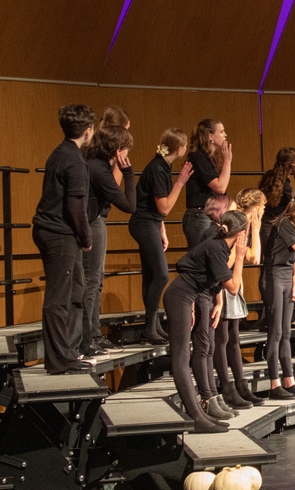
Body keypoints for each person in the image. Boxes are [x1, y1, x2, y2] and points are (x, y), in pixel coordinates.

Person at [163, 210, 248, 433]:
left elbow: (208, 279)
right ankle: (195, 417)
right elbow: (233, 287)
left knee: (186, 354)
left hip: (185, 297)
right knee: (181, 357)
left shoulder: (217, 245)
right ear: (241, 234)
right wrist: (239, 256)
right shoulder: (218, 248)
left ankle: (200, 414)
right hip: (179, 296)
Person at [32, 105, 96, 375]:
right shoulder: (75, 161)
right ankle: (60, 361)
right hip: (59, 233)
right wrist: (85, 236)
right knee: (58, 299)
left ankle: (67, 353)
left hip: (49, 229)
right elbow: (74, 207)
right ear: (88, 131)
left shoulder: (61, 152)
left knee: (73, 291)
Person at [129, 129, 192, 344]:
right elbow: (164, 207)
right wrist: (180, 183)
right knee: (162, 275)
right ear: (180, 149)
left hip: (151, 223)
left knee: (151, 274)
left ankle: (152, 326)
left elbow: (157, 209)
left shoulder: (163, 166)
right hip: (143, 223)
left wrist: (161, 229)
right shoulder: (157, 168)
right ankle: (149, 326)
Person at [81, 124, 135, 357]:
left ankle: (93, 334)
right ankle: (88, 338)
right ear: (117, 151)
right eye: (125, 150)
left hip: (92, 222)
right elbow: (129, 205)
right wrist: (129, 174)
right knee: (91, 283)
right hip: (91, 224)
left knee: (95, 281)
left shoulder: (95, 162)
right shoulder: (100, 170)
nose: (127, 155)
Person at [262, 186, 295, 400]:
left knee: (286, 333)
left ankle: (289, 380)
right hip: (274, 276)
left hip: (286, 275)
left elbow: (293, 257)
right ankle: (274, 384)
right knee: (275, 333)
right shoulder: (285, 223)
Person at [214, 188, 266, 407]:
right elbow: (226, 262)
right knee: (223, 339)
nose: (264, 210)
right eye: (262, 206)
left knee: (234, 338)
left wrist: (256, 228)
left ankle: (241, 387)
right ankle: (227, 389)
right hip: (222, 285)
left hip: (234, 284)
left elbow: (254, 257)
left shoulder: (246, 225)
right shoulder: (236, 224)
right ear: (255, 208)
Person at [182, 119, 232, 248]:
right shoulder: (198, 157)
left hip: (209, 215)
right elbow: (220, 187)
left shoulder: (210, 158)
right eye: (221, 132)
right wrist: (227, 161)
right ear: (210, 136)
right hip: (200, 216)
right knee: (201, 261)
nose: (225, 135)